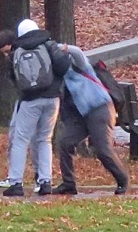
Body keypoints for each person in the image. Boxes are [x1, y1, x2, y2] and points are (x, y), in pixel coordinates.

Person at [0, 20, 72, 197]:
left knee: (20, 140)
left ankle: (16, 182)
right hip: (52, 99)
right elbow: (64, 67)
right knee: (45, 139)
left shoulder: (18, 50)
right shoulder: (48, 44)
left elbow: (12, 75)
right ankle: (45, 181)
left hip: (30, 100)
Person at [53, 45, 130, 195]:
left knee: (102, 149)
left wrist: (63, 47)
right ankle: (69, 183)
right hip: (85, 114)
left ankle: (122, 179)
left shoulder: (80, 65)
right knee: (66, 143)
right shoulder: (64, 76)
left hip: (101, 108)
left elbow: (78, 52)